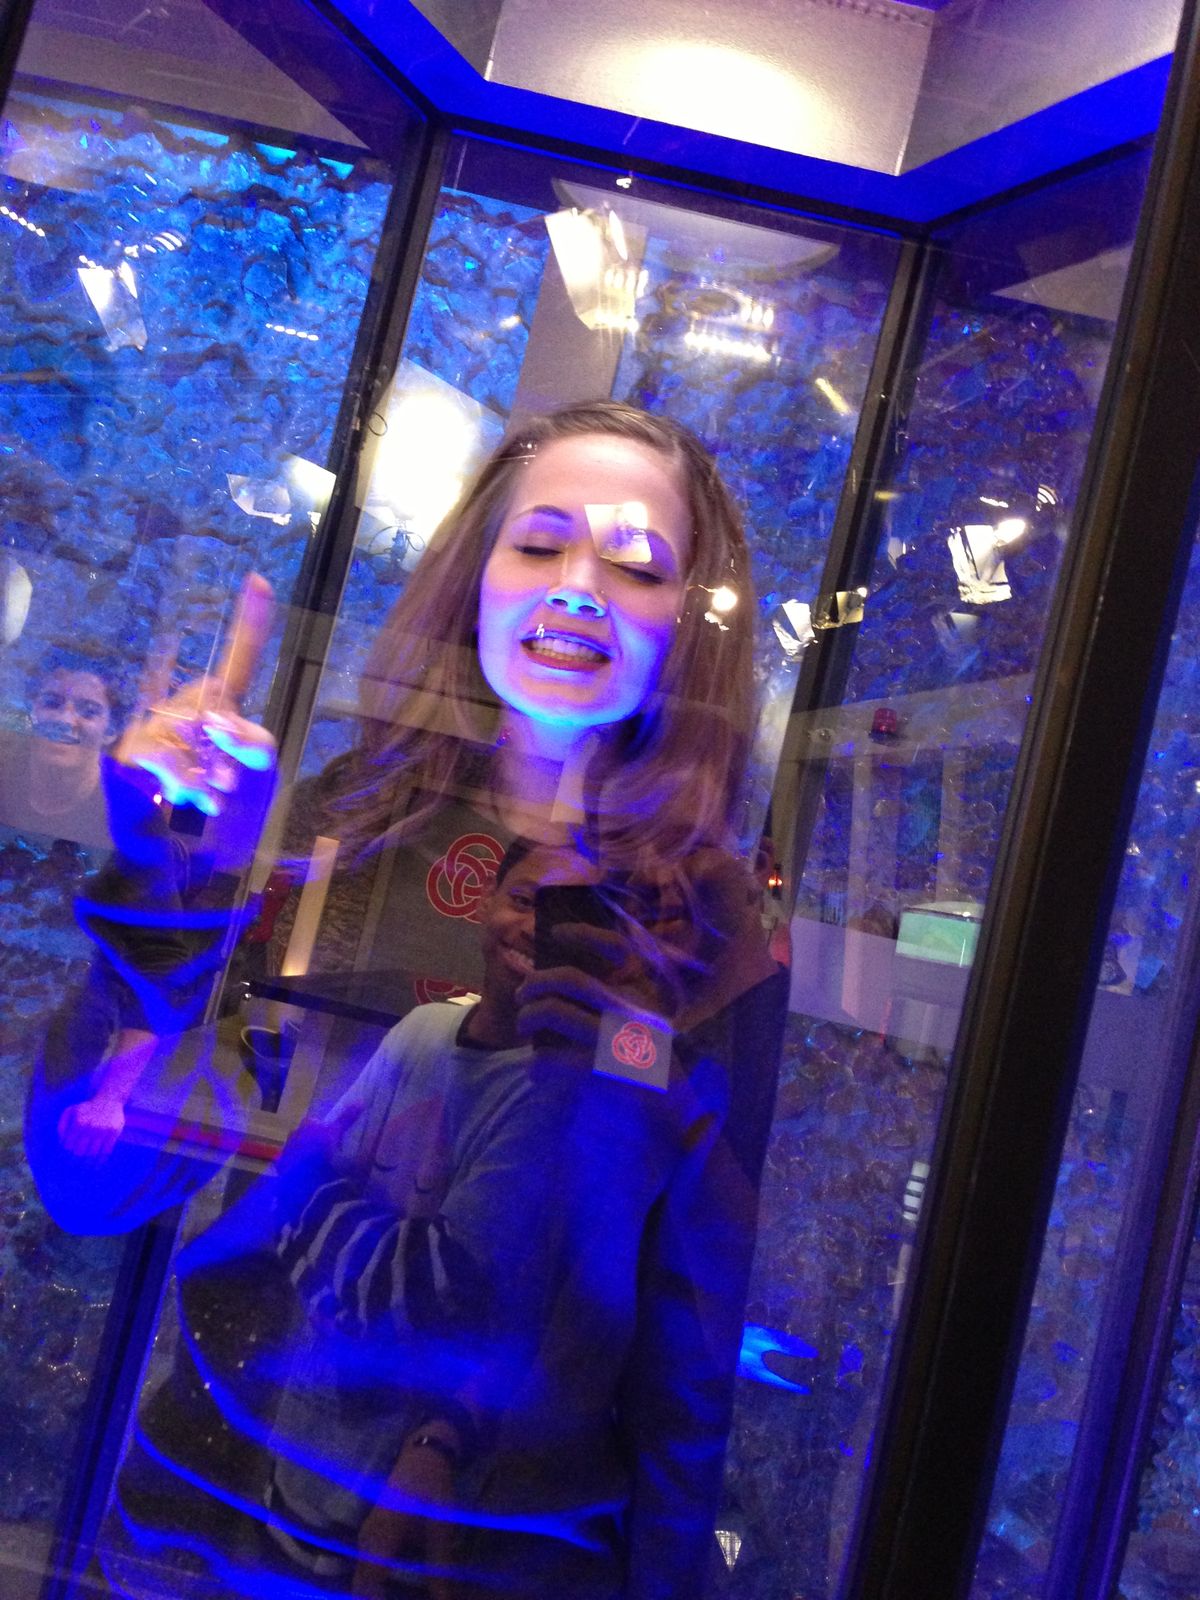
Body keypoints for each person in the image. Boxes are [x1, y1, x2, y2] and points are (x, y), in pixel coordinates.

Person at [28, 401, 787, 1598]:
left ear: (690, 621)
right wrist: (166, 884)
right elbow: (95, 1182)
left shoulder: (709, 924)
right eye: (539, 543)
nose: (578, 589)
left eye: (637, 564)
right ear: (476, 575)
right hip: (205, 1531)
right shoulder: (350, 827)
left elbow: (691, 1342)